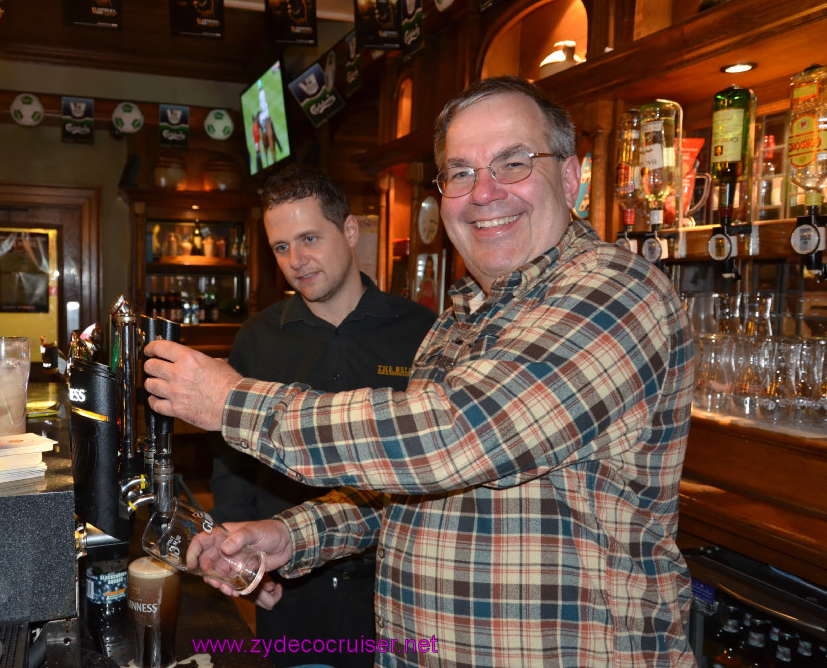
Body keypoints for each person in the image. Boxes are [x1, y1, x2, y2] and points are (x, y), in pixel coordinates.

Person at [144, 76, 697, 666]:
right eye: (461, 173)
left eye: (512, 163)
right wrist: (291, 534)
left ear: (569, 178)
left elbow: (453, 436)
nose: (483, 193)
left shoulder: (613, 291)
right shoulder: (460, 318)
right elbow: (414, 491)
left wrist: (231, 401)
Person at [209, 163, 437, 668]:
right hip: (289, 582)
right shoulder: (257, 338)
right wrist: (239, 561)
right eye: (281, 247)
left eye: (309, 238)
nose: (297, 260)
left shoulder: (422, 331)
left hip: (392, 590)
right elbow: (232, 463)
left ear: (350, 230)